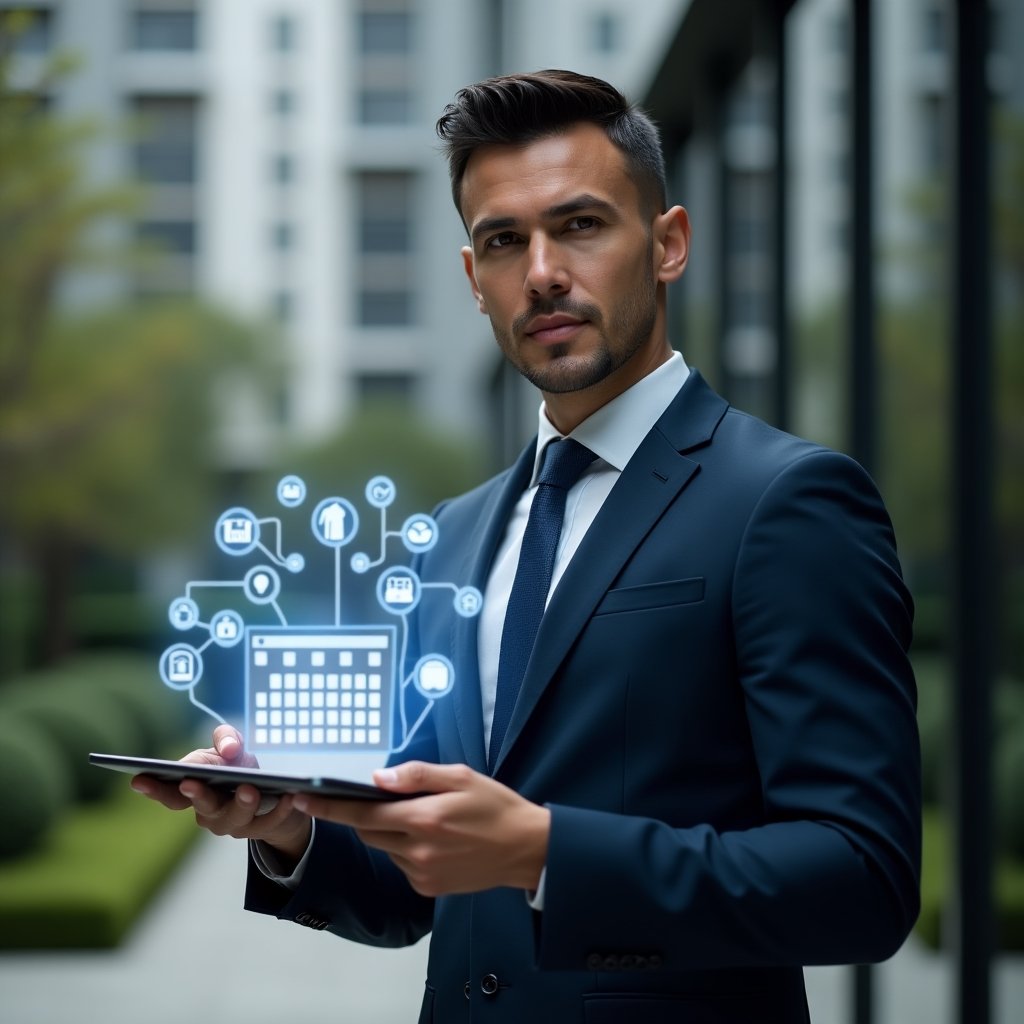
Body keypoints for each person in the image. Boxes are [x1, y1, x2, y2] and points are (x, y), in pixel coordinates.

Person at [134, 70, 920, 1023]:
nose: (542, 270)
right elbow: (418, 894)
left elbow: (863, 880)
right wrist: (293, 830)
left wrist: (546, 852)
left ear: (667, 245)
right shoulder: (458, 536)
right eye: (504, 241)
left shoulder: (788, 502)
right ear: (475, 280)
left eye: (581, 225)